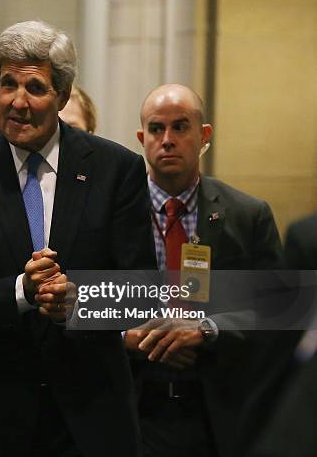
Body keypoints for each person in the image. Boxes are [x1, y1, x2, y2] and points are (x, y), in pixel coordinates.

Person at [0, 20, 156, 456]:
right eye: (7, 85)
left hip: (90, 419)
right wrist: (20, 292)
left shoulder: (114, 169)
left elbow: (142, 292)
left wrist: (81, 299)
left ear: (63, 95)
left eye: (35, 88)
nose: (17, 102)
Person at [125, 84, 283, 457]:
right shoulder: (113, 213)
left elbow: (280, 309)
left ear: (204, 135)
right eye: (156, 129)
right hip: (134, 408)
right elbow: (80, 303)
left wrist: (207, 329)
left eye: (180, 127)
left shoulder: (247, 215)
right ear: (141, 137)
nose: (167, 140)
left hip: (217, 411)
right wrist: (128, 335)